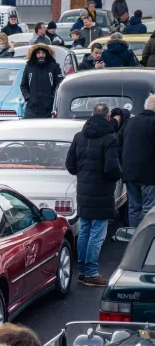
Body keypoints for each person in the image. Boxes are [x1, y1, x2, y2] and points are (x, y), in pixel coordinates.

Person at [66, 103, 121, 286]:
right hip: (102, 193)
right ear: (107, 117)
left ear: (92, 115)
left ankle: (82, 271)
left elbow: (70, 165)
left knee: (84, 232)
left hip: (83, 191)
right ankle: (91, 272)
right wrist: (118, 175)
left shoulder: (78, 137)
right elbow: (112, 168)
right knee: (97, 235)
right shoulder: (110, 139)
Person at [119, 95, 155, 228]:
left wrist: (123, 164)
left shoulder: (129, 122)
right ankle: (147, 240)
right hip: (150, 175)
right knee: (149, 208)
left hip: (130, 173)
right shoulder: (153, 122)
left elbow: (118, 144)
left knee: (133, 208)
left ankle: (133, 239)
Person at [20, 44, 63, 118]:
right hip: (32, 107)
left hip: (49, 107)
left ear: (47, 54)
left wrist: (52, 97)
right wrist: (28, 97)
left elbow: (59, 85)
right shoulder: (29, 66)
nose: (41, 55)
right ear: (34, 54)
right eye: (38, 53)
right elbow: (24, 85)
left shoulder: (54, 66)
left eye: (43, 53)